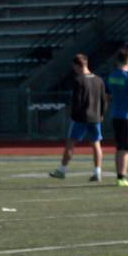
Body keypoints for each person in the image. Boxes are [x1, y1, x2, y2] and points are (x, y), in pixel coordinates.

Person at [49, 53, 107, 181]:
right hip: (95, 117)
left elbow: (77, 101)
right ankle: (97, 171)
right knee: (96, 144)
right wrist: (101, 114)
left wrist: (73, 115)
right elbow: (104, 100)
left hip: (81, 118)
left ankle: (62, 170)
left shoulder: (79, 80)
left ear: (77, 66)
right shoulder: (99, 80)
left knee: (70, 144)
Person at [105, 47, 128, 187]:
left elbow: (107, 97)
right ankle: (122, 177)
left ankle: (119, 176)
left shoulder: (112, 76)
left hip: (116, 115)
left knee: (119, 147)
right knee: (127, 148)